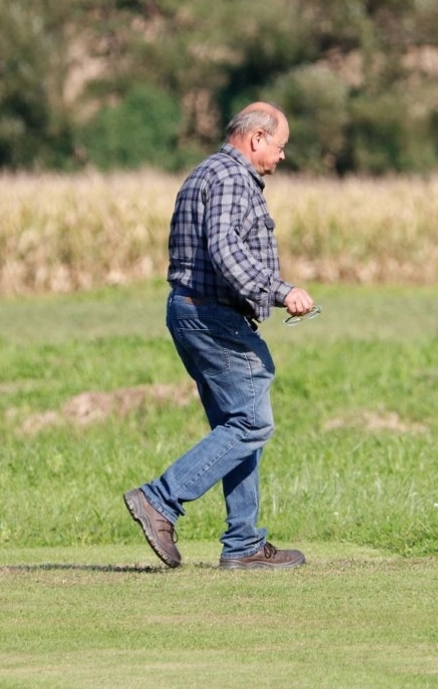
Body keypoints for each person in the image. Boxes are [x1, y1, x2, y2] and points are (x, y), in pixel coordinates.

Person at [124, 101, 316, 570]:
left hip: (191, 312)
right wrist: (280, 290)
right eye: (280, 146)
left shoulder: (204, 173)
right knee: (252, 424)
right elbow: (225, 248)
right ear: (256, 139)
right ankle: (160, 500)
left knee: (237, 426)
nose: (282, 156)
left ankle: (244, 543)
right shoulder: (232, 178)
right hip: (213, 318)